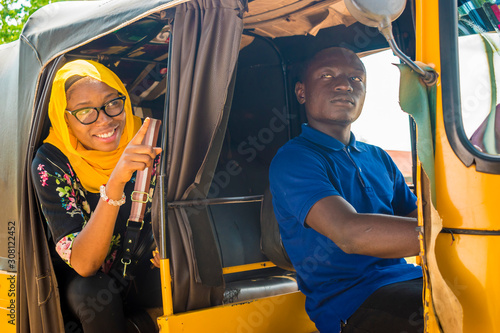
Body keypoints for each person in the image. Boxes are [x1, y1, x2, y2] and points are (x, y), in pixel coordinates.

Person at [269, 47, 423, 333]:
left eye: (356, 78)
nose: (344, 85)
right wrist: (452, 234)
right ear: (301, 92)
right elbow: (350, 234)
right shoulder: (295, 158)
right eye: (327, 76)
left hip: (408, 278)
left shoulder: (378, 157)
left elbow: (420, 218)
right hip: (352, 300)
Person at [31, 59, 162, 332]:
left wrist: (169, 246)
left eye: (113, 103)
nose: (104, 119)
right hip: (83, 285)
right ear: (65, 117)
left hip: (141, 268)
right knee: (92, 291)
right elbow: (85, 264)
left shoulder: (150, 142)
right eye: (84, 112)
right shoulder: (51, 162)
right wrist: (115, 182)